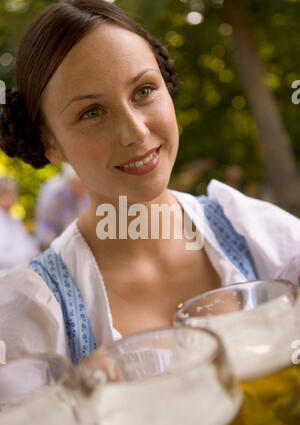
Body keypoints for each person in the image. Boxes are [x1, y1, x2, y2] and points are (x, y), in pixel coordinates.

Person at [0, 0, 299, 365]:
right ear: (49, 142)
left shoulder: (258, 237)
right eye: (91, 112)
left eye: (143, 90)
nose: (136, 133)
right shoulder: (33, 320)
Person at [35, 163, 89, 250]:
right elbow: (45, 226)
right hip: (51, 241)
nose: (83, 190)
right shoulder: (52, 193)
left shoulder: (85, 190)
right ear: (71, 182)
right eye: (80, 185)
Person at [0, 176, 39, 269]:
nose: (12, 198)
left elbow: (29, 246)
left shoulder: (15, 221)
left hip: (23, 270)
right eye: (8, 194)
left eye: (13, 194)